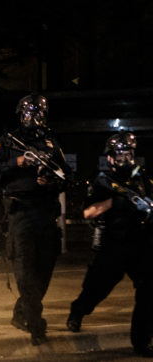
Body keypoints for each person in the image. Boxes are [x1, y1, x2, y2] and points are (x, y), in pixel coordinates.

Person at [0, 93, 72, 345]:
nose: (33, 118)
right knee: (24, 274)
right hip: (20, 214)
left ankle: (21, 312)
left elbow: (68, 176)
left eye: (39, 113)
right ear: (20, 115)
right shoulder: (8, 142)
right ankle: (36, 326)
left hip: (46, 214)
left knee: (44, 272)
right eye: (28, 113)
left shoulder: (51, 143)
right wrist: (18, 162)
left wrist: (52, 180)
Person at [66, 131, 153, 357]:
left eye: (128, 154)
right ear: (110, 157)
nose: (124, 158)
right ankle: (77, 312)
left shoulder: (143, 178)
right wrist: (115, 202)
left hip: (140, 244)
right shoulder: (103, 182)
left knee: (148, 291)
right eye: (119, 154)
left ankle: (142, 341)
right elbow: (87, 212)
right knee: (96, 290)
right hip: (112, 245)